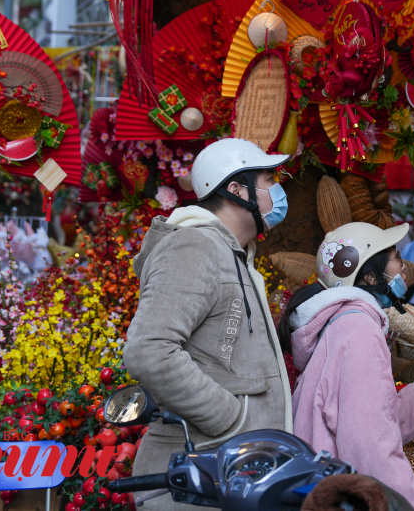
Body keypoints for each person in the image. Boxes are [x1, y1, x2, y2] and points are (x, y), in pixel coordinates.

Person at [124, 138, 293, 511]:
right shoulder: (194, 247)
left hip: (228, 478)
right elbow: (149, 350)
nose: (277, 190)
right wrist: (230, 420)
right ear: (236, 190)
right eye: (270, 179)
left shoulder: (230, 253)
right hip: (198, 483)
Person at [279, 222, 414, 511]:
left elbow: (353, 421)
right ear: (369, 275)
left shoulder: (342, 322)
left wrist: (413, 397)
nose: (404, 270)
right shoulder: (359, 330)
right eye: (397, 259)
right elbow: (372, 451)